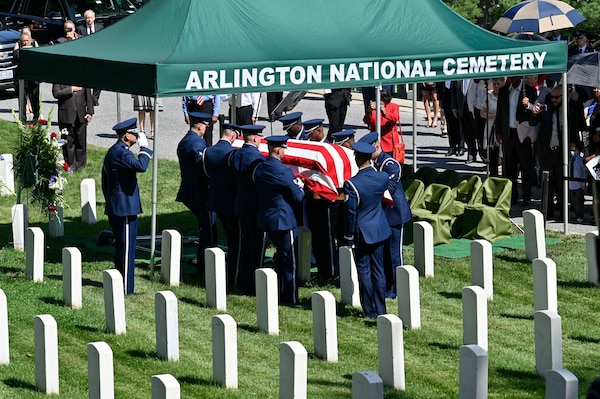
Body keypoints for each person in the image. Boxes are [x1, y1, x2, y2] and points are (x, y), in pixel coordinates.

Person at [101, 118, 152, 295]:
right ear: (126, 136)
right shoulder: (122, 153)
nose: (137, 136)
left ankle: (118, 283)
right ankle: (125, 288)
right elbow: (141, 166)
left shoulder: (114, 151)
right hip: (125, 208)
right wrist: (145, 149)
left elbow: (104, 181)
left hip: (118, 205)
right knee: (127, 249)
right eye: (134, 133)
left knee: (122, 247)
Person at [252, 135, 305, 305]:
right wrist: (300, 187)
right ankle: (290, 297)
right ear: (279, 149)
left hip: (265, 216)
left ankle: (271, 290)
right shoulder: (283, 171)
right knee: (290, 259)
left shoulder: (260, 168)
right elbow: (298, 197)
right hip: (283, 219)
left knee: (276, 258)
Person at [358, 132, 411, 299]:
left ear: (377, 147)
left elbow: (388, 189)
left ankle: (398, 287)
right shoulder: (373, 164)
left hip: (394, 214)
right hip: (381, 215)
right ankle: (387, 284)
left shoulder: (390, 164)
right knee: (384, 253)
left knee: (394, 253)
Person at [342, 141, 391, 319]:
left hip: (362, 232)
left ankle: (369, 310)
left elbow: (350, 213)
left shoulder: (351, 184)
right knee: (379, 270)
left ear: (357, 158)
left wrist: (348, 237)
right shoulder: (382, 177)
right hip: (380, 229)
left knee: (364, 271)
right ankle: (381, 308)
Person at [228, 124, 266, 294]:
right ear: (256, 139)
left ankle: (241, 279)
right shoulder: (257, 159)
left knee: (245, 244)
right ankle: (252, 284)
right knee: (256, 245)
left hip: (239, 204)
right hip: (254, 207)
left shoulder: (234, 155)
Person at [203, 124, 239, 288]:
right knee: (235, 238)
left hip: (215, 199)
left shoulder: (208, 151)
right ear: (232, 137)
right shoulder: (232, 154)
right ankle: (232, 272)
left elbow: (207, 173)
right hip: (230, 200)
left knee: (228, 232)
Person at [175, 112, 212, 272]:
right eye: (205, 126)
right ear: (200, 126)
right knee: (208, 226)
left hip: (190, 189)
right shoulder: (197, 143)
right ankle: (205, 262)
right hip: (198, 191)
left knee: (205, 225)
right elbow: (203, 169)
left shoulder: (185, 140)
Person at [304, 118, 338, 279]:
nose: (309, 137)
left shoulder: (330, 150)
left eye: (311, 134)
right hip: (313, 200)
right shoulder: (314, 148)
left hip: (326, 201)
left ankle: (330, 271)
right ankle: (323, 269)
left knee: (327, 238)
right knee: (317, 237)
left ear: (319, 131)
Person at [495, 75, 537, 205]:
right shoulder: (503, 91)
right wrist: (498, 131)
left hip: (524, 134)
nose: (512, 78)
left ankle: (526, 195)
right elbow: (499, 113)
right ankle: (511, 195)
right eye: (510, 76)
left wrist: (528, 105)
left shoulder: (529, 91)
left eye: (515, 76)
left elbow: (536, 110)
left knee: (526, 167)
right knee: (509, 168)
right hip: (509, 133)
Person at [530, 85, 565, 218]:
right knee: (547, 184)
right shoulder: (545, 110)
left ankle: (563, 213)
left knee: (562, 184)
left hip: (562, 153)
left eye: (557, 97)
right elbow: (533, 122)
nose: (554, 100)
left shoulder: (567, 112)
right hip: (546, 152)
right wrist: (534, 113)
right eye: (552, 97)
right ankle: (547, 212)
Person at [52, 79, 94, 171]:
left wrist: (90, 111)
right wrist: (71, 89)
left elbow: (88, 94)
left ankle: (81, 165)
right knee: (68, 142)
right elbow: (56, 93)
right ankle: (70, 165)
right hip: (66, 115)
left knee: (81, 141)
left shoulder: (81, 75)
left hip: (81, 114)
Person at [76, 10, 103, 105]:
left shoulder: (100, 28)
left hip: (97, 56)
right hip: (85, 57)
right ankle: (86, 98)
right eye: (87, 18)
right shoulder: (80, 29)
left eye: (90, 17)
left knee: (98, 78)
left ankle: (95, 98)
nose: (89, 20)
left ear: (94, 18)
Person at [362, 89, 400, 155]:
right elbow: (366, 120)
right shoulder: (374, 108)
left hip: (389, 142)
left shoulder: (393, 106)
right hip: (376, 141)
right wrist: (369, 112)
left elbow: (396, 117)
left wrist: (385, 113)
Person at [480, 77, 505, 176]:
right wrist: (495, 116)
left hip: (503, 128)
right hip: (491, 127)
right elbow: (482, 113)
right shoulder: (489, 97)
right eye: (494, 84)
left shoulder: (505, 97)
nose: (496, 86)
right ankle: (492, 174)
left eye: (498, 84)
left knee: (503, 152)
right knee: (492, 153)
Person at [14, 29, 40, 121]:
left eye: (27, 41)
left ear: (30, 41)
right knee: (22, 100)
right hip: (22, 79)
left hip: (33, 78)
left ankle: (36, 117)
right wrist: (19, 49)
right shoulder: (18, 49)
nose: (25, 43)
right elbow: (15, 58)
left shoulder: (34, 46)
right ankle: (22, 119)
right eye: (23, 41)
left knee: (35, 99)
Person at [569, 141, 587, 223]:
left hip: (579, 184)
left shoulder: (580, 160)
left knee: (578, 201)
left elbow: (584, 172)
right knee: (573, 201)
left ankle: (580, 216)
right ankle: (574, 215)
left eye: (574, 150)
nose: (572, 152)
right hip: (571, 184)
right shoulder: (569, 161)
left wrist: (583, 184)